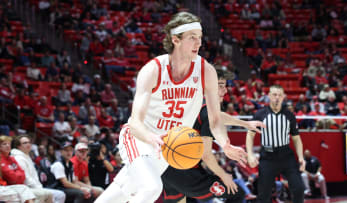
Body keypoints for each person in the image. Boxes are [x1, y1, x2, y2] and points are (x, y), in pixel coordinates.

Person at [95, 11, 248, 203]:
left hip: (168, 146)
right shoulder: (154, 69)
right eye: (192, 38)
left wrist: (225, 144)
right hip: (140, 138)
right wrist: (150, 138)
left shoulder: (205, 70)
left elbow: (215, 118)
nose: (198, 43)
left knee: (123, 191)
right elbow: (135, 122)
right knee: (151, 187)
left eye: (200, 38)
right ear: (175, 40)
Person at [161, 69, 262, 203]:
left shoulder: (193, 102)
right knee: (236, 192)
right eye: (220, 86)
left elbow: (218, 116)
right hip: (185, 169)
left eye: (225, 86)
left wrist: (244, 123)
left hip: (165, 166)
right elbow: (206, 155)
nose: (225, 91)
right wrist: (223, 175)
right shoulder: (207, 112)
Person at [246, 85, 306, 203]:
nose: (277, 98)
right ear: (269, 96)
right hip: (268, 157)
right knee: (264, 194)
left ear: (283, 97)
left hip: (286, 156)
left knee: (299, 188)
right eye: (274, 94)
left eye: (279, 95)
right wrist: (250, 154)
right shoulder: (260, 114)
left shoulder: (289, 115)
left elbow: (296, 138)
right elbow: (250, 135)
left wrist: (301, 157)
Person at [11, 135, 66, 203]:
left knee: (59, 194)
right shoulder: (19, 158)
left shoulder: (25, 156)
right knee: (59, 195)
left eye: (29, 142)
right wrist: (39, 188)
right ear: (18, 146)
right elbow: (26, 178)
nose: (28, 144)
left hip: (34, 187)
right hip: (27, 189)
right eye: (25, 143)